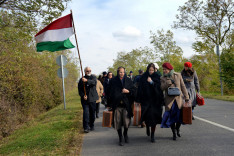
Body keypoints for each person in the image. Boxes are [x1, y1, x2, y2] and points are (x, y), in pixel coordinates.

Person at [160, 62, 189, 141]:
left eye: (165, 69)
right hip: (169, 101)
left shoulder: (178, 75)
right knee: (171, 118)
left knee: (179, 117)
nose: (164, 71)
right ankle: (174, 133)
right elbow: (162, 88)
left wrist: (187, 97)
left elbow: (183, 86)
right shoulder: (162, 78)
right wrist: (167, 83)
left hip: (178, 100)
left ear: (169, 69)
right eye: (163, 69)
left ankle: (177, 129)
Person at [136, 63, 163, 143]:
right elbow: (140, 88)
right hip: (146, 101)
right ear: (147, 69)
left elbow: (159, 88)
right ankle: (147, 127)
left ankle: (152, 135)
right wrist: (138, 99)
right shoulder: (143, 77)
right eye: (150, 70)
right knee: (147, 118)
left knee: (153, 119)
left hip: (155, 101)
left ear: (154, 70)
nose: (151, 71)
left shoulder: (157, 77)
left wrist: (152, 82)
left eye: (152, 70)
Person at [108, 67, 135, 146]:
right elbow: (109, 92)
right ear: (117, 72)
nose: (121, 74)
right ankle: (120, 137)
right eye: (120, 72)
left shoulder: (128, 80)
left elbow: (133, 91)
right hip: (117, 105)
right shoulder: (113, 81)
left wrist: (128, 91)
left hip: (126, 105)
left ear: (125, 72)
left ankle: (125, 134)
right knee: (118, 122)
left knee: (126, 122)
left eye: (123, 72)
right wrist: (109, 104)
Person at [78, 67, 99, 133]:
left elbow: (94, 83)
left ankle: (91, 124)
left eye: (90, 71)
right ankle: (86, 127)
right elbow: (79, 89)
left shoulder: (93, 77)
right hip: (85, 100)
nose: (89, 72)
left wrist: (87, 81)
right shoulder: (81, 79)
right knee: (86, 113)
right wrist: (83, 95)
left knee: (92, 113)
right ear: (85, 72)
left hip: (92, 99)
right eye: (87, 71)